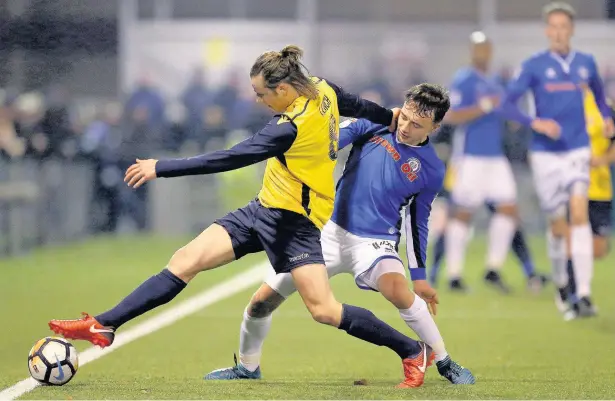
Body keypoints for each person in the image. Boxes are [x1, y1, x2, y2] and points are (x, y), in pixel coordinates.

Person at [48, 45, 432, 388]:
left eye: (261, 93)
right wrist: (389, 116)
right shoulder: (322, 87)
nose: (259, 100)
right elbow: (360, 106)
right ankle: (104, 325)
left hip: (296, 223)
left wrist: (160, 167)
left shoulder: (289, 127)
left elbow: (227, 158)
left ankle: (411, 350)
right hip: (263, 208)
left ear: (282, 89)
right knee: (185, 261)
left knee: (324, 310)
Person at [204, 84, 475, 385]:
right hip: (327, 234)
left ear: (435, 127)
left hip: (375, 243)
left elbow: (417, 221)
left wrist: (420, 277)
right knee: (260, 303)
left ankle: (445, 362)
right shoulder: (374, 123)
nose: (406, 127)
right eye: (406, 117)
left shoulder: (432, 169)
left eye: (417, 124)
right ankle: (247, 367)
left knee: (398, 290)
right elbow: (326, 142)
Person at [501, 2, 615, 318]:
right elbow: (506, 105)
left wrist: (607, 118)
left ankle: (584, 295)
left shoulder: (585, 63)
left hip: (578, 149)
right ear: (547, 30)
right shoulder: (534, 65)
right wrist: (534, 122)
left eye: (564, 26)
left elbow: (601, 100)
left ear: (571, 29)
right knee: (558, 225)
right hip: (545, 154)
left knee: (579, 212)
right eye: (553, 26)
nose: (559, 32)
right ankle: (563, 283)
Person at [440, 31, 519, 293]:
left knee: (508, 208)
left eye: (486, 47)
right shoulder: (464, 79)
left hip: (495, 155)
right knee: (463, 213)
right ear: (471, 51)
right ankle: (454, 275)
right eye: (478, 48)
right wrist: (483, 107)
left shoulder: (496, 81)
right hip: (471, 155)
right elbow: (450, 115)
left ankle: (492, 269)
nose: (482, 53)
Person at [566, 94, 615, 310]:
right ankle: (575, 293)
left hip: (601, 186)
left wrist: (603, 159)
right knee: (577, 232)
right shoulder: (567, 103)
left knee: (599, 249)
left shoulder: (606, 108)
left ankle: (571, 277)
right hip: (575, 183)